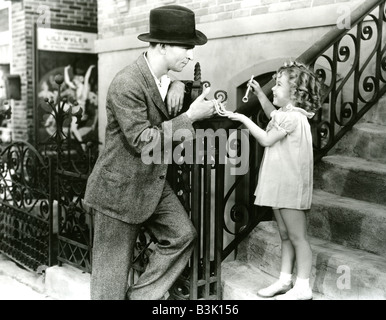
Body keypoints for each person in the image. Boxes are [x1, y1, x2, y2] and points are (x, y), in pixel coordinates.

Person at [84, 5, 217, 300]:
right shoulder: (126, 82)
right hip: (116, 193)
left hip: (150, 183)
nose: (191, 55)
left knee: (182, 236)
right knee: (108, 288)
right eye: (186, 47)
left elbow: (160, 93)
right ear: (161, 45)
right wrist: (191, 117)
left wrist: (178, 84)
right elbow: (143, 141)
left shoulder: (163, 79)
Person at [227, 61, 322, 300]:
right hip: (280, 185)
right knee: (284, 234)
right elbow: (272, 114)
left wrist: (242, 118)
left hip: (290, 187)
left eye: (278, 85)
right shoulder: (286, 114)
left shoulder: (294, 118)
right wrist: (259, 94)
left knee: (298, 237)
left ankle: (303, 287)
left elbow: (267, 139)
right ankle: (284, 280)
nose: (273, 89)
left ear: (294, 93)